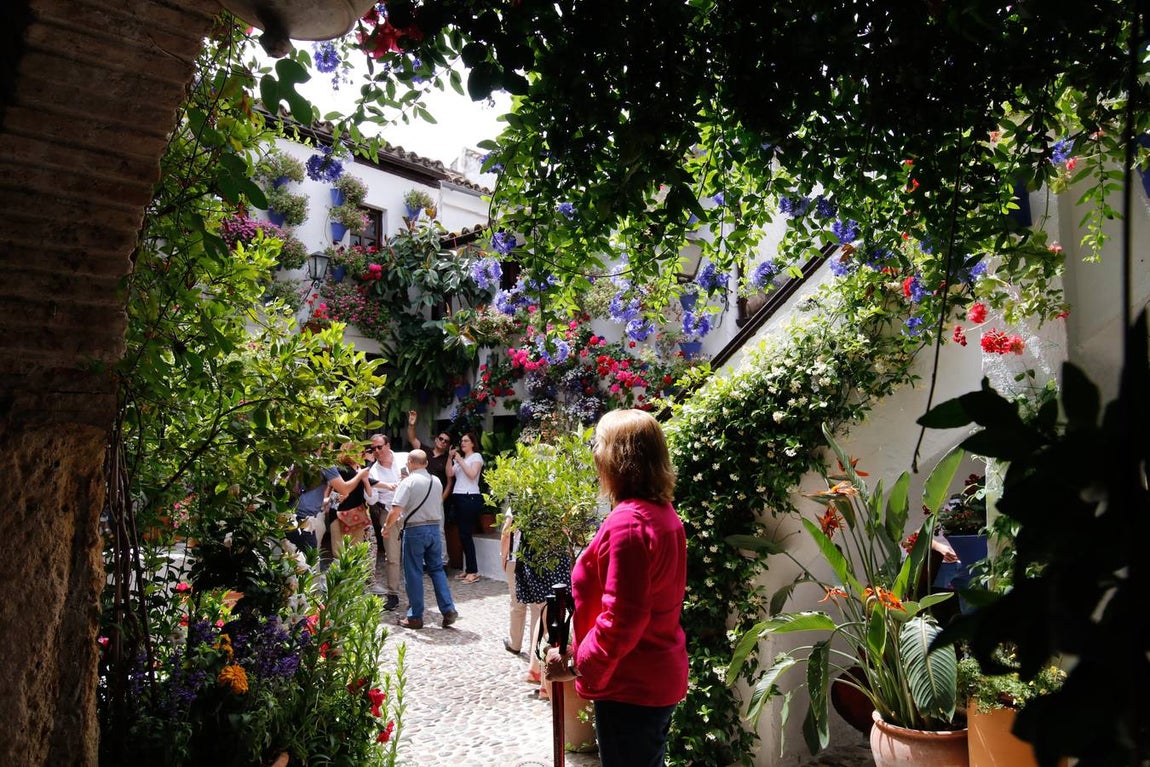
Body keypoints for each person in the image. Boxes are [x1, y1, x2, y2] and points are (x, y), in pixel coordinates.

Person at [545, 409, 687, 767]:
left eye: (600, 443)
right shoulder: (660, 512)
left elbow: (623, 619)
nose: (594, 453)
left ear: (617, 457)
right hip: (648, 677)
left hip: (631, 684)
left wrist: (576, 663)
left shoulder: (629, 522)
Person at [383, 450, 458, 630]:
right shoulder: (436, 481)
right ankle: (448, 609)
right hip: (434, 528)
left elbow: (395, 510)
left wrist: (386, 527)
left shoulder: (408, 482)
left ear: (410, 461)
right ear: (425, 463)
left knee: (413, 572)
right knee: (437, 570)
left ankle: (415, 616)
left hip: (415, 530)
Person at [500, 512, 549, 696]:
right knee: (539, 610)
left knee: (517, 605)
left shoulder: (518, 503)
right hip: (540, 562)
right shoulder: (546, 503)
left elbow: (506, 532)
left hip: (517, 559)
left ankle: (515, 643)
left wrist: (503, 556)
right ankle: (534, 655)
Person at [407, 409, 454, 565]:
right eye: (441, 438)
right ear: (436, 439)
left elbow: (449, 481)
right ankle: (425, 562)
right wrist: (411, 424)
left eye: (446, 441)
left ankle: (443, 562)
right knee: (420, 529)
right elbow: (412, 439)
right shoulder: (424, 452)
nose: (442, 442)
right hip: (420, 497)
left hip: (436, 498)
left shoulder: (447, 459)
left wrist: (441, 499)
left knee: (439, 530)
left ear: (448, 445)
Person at [367, 433, 407, 611]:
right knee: (392, 556)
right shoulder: (372, 471)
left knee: (413, 555)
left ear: (388, 445)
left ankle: (415, 596)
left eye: (379, 447)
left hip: (410, 511)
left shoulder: (404, 459)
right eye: (373, 448)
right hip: (388, 511)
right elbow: (371, 500)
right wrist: (372, 486)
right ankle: (393, 594)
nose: (376, 451)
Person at [325, 442, 374, 559]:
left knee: (351, 553)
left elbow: (370, 487)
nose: (362, 454)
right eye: (359, 451)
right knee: (343, 553)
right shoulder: (342, 470)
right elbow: (336, 491)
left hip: (350, 514)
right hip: (341, 515)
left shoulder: (357, 470)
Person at [449, 432, 484, 584]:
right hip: (459, 496)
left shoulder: (476, 457)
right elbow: (449, 473)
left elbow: (472, 474)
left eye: (466, 441)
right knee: (462, 535)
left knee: (466, 535)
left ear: (472, 443)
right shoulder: (459, 460)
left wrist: (459, 460)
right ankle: (468, 569)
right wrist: (450, 459)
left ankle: (473, 571)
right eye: (461, 440)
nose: (462, 443)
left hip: (469, 496)